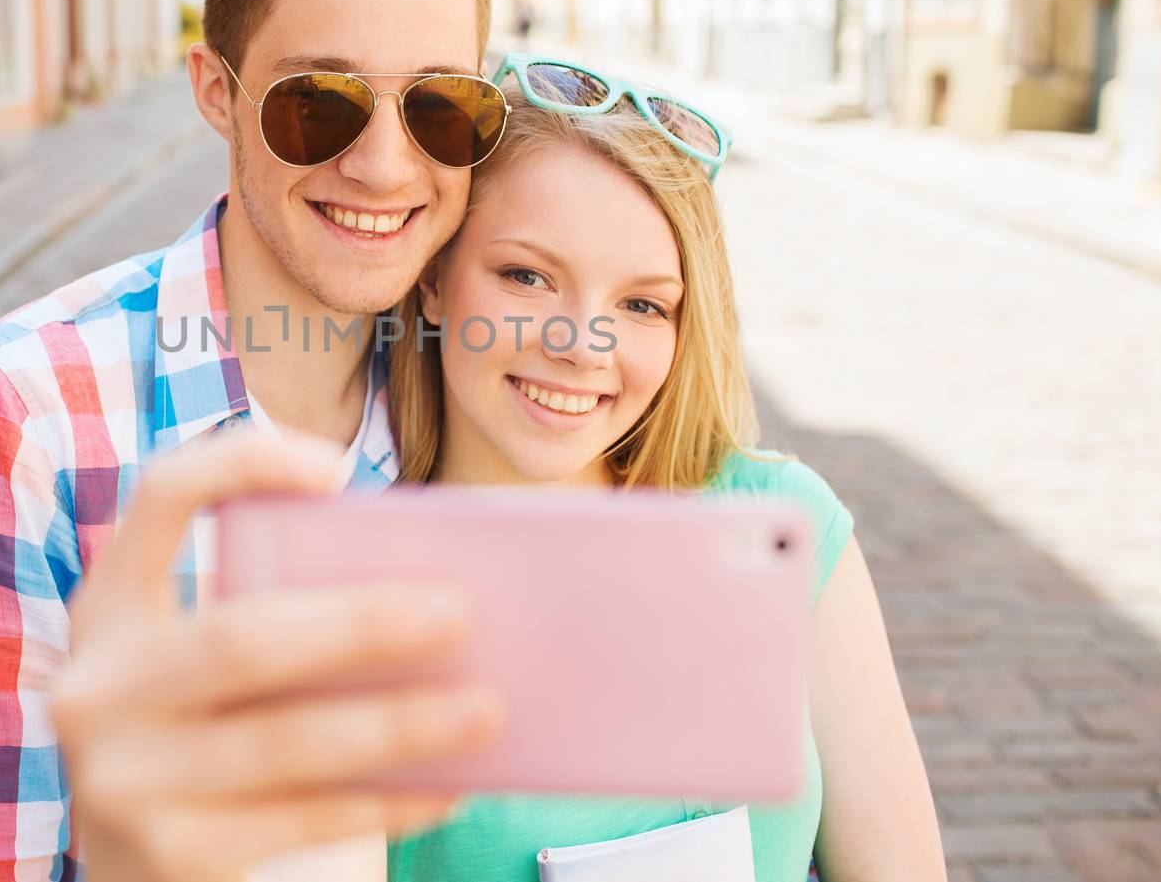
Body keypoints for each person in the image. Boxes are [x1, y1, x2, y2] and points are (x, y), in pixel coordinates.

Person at [0, 0, 520, 880]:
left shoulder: (493, 389)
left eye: (442, 104)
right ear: (216, 91)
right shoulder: (23, 417)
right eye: (320, 102)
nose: (385, 165)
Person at [380, 64, 947, 880]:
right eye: (528, 277)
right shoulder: (357, 592)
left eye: (642, 304)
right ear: (434, 279)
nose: (583, 344)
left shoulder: (782, 521)